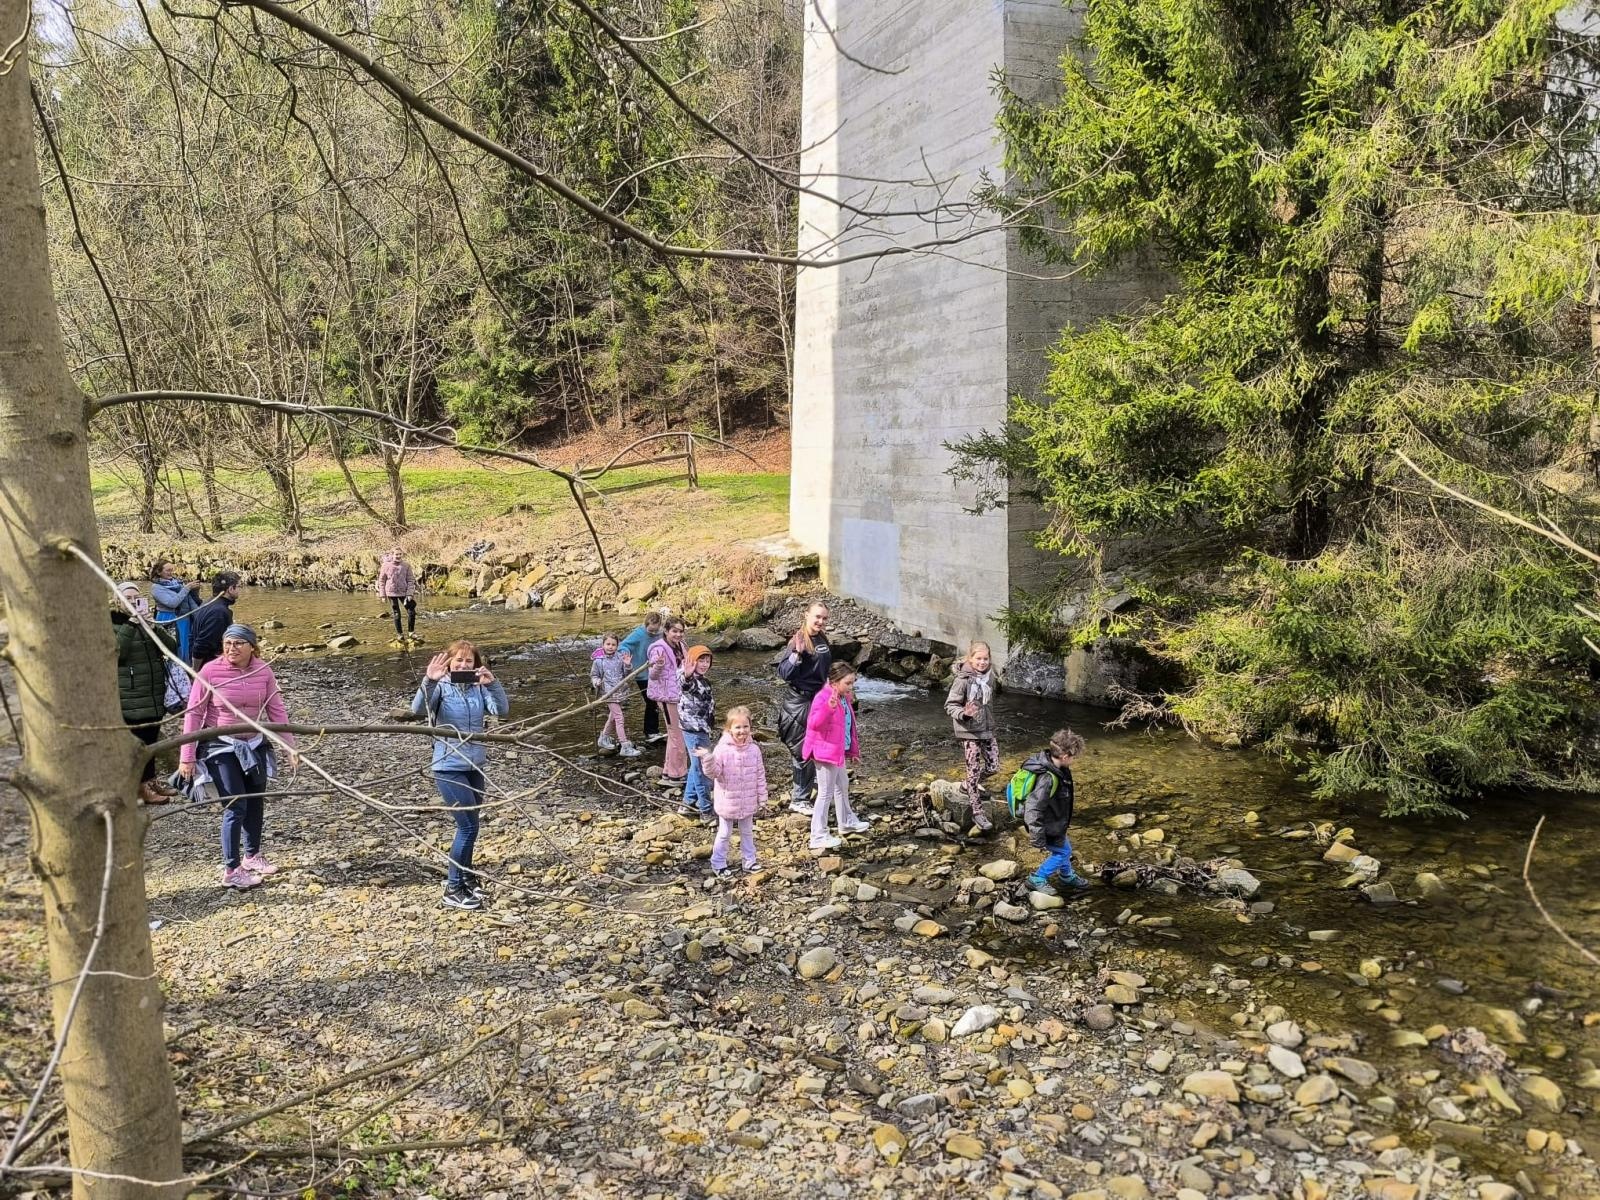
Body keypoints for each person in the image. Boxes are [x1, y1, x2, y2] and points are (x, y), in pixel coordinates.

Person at [179, 624, 297, 890]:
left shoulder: (263, 671)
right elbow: (194, 714)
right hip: (221, 746)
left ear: (252, 647)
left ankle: (252, 856)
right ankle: (231, 870)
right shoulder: (210, 671)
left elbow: (276, 710)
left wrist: (289, 747)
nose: (231, 649)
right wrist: (187, 756)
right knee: (236, 806)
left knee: (255, 800)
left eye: (238, 643)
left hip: (254, 744)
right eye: (227, 643)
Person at [413, 641, 509, 910]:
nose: (463, 665)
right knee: (466, 827)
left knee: (472, 825)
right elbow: (417, 710)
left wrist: (493, 684)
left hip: (475, 765)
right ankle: (453, 888)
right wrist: (429, 680)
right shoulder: (440, 687)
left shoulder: (479, 688)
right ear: (449, 663)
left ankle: (466, 877)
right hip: (448, 765)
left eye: (469, 661)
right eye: (459, 660)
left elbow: (501, 711)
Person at [113, 582, 178, 805]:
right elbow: (118, 653)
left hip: (153, 692)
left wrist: (152, 625)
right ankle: (140, 788)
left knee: (151, 741)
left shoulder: (147, 623)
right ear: (117, 601)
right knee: (137, 744)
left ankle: (151, 781)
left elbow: (171, 647)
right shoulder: (112, 622)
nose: (132, 602)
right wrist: (131, 623)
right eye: (128, 598)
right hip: (131, 695)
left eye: (136, 598)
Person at [801, 662, 870, 851]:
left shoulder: (844, 697)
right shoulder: (823, 697)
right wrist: (828, 708)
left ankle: (846, 821)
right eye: (848, 683)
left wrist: (852, 751)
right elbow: (814, 724)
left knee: (842, 785)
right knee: (825, 793)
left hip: (836, 750)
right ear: (834, 682)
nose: (851, 687)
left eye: (853, 683)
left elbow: (848, 726)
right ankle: (818, 835)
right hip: (824, 752)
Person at [694, 706, 766, 876]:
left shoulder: (754, 750)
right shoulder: (722, 749)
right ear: (729, 728)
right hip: (727, 801)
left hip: (748, 800)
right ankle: (718, 863)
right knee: (724, 833)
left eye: (745, 726)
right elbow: (714, 773)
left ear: (750, 727)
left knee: (747, 832)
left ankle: (749, 861)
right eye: (737, 727)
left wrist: (763, 798)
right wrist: (707, 758)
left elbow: (760, 775)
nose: (742, 731)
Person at [776, 601, 831, 815]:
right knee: (802, 751)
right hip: (799, 703)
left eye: (824, 618)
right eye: (817, 617)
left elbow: (824, 669)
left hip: (819, 700)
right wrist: (797, 655)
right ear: (806, 615)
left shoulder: (822, 638)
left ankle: (815, 788)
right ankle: (799, 799)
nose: (820, 621)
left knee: (819, 747)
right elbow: (784, 673)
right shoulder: (798, 640)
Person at [1021, 728, 1090, 895]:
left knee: (1064, 848)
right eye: (1073, 757)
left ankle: (1066, 876)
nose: (1074, 760)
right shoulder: (1047, 778)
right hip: (1046, 825)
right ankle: (1037, 878)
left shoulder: (1057, 768)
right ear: (1065, 756)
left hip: (1056, 821)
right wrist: (1037, 836)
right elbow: (1033, 808)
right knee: (1063, 852)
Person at [944, 641, 999, 833]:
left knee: (993, 767)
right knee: (973, 772)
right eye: (978, 658)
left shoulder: (990, 677)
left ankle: (967, 785)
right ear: (970, 658)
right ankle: (977, 812)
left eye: (985, 658)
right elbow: (950, 705)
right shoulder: (963, 680)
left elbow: (987, 704)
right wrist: (964, 714)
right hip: (969, 732)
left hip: (987, 729)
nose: (982, 662)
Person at [647, 616, 689, 783]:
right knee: (676, 734)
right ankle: (677, 774)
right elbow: (652, 675)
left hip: (678, 694)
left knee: (676, 734)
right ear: (666, 631)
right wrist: (658, 665)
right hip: (666, 696)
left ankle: (668, 771)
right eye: (674, 631)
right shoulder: (658, 648)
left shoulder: (681, 645)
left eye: (681, 631)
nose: (678, 634)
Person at [676, 646, 716, 820]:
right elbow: (685, 685)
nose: (705, 664)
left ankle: (687, 802)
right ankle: (705, 810)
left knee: (695, 766)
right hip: (693, 729)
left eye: (707, 661)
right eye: (701, 661)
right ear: (692, 661)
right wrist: (687, 675)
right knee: (702, 769)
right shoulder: (689, 679)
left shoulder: (704, 680)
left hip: (701, 728)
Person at [590, 632, 641, 758]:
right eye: (608, 644)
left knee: (613, 717)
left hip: (621, 691)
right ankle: (625, 746)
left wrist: (628, 665)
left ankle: (604, 738)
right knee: (619, 718)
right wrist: (596, 682)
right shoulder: (598, 661)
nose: (610, 647)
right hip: (608, 693)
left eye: (613, 645)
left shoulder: (620, 657)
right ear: (603, 645)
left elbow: (628, 675)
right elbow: (594, 675)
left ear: (617, 646)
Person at [619, 612, 665, 744]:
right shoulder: (639, 633)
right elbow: (623, 645)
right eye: (651, 630)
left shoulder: (660, 634)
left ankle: (653, 731)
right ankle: (650, 731)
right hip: (642, 673)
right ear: (646, 625)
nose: (653, 633)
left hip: (656, 672)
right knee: (651, 701)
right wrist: (626, 656)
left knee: (657, 701)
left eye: (656, 630)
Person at [150, 558, 201, 663]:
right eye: (168, 570)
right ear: (159, 572)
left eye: (172, 570)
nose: (171, 573)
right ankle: (175, 669)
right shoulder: (156, 588)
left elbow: (189, 599)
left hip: (184, 617)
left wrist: (199, 615)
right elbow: (172, 603)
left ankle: (188, 667)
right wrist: (187, 588)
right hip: (169, 618)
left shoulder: (177, 583)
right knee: (175, 646)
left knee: (187, 644)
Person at [190, 570, 242, 669]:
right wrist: (195, 671)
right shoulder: (219, 612)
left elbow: (192, 635)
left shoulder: (207, 602)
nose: (240, 590)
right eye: (239, 587)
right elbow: (201, 645)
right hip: (211, 666)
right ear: (231, 589)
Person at [377, 547, 422, 645]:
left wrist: (409, 593)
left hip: (404, 592)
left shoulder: (406, 565)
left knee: (411, 611)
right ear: (392, 555)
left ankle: (411, 632)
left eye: (400, 554)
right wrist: (382, 595)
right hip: (391, 593)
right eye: (396, 554)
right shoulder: (385, 565)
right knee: (397, 613)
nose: (398, 556)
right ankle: (400, 634)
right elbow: (382, 581)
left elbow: (411, 580)